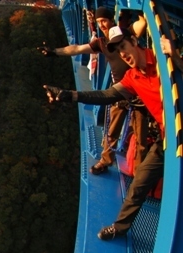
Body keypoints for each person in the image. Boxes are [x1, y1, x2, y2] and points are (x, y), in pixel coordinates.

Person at [43, 26, 180, 240]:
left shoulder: (163, 58)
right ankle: (120, 227)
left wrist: (176, 56)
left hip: (177, 132)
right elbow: (106, 95)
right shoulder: (132, 78)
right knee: (139, 183)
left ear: (135, 41)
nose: (123, 54)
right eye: (117, 51)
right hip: (168, 138)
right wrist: (68, 95)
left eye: (124, 46)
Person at [38, 7, 148, 174]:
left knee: (141, 138)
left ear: (112, 20)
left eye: (104, 20)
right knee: (111, 132)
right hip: (120, 91)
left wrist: (142, 9)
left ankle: (139, 173)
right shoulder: (102, 43)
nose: (102, 25)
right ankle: (105, 161)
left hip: (138, 92)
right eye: (98, 22)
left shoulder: (125, 34)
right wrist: (55, 52)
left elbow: (141, 25)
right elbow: (77, 49)